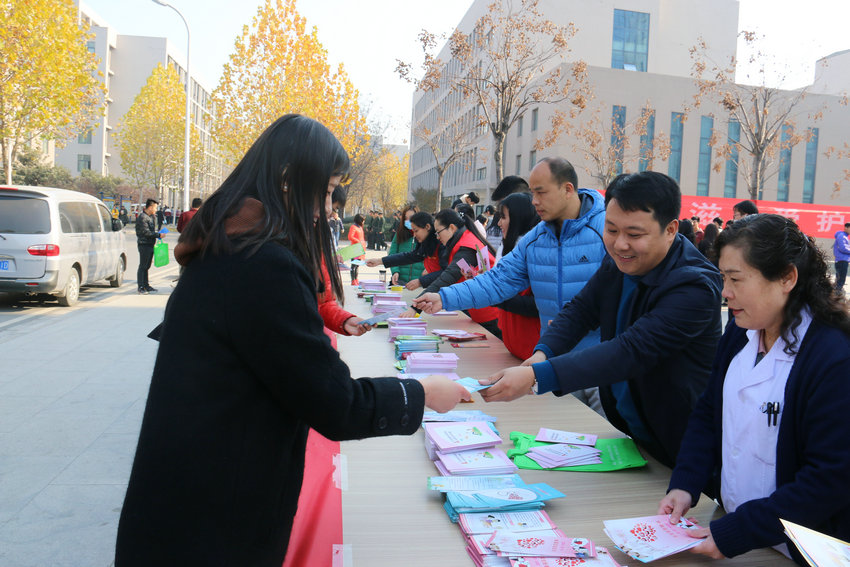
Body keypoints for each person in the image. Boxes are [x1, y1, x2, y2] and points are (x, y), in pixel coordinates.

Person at [114, 114, 470, 567]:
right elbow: (334, 403)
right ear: (287, 180)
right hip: (214, 521)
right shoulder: (262, 264)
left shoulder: (228, 244)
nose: (325, 209)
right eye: (324, 192)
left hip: (185, 502)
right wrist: (420, 393)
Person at [473, 172, 723, 468]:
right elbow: (582, 309)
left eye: (634, 235)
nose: (620, 244)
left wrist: (537, 377)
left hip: (681, 442)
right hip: (633, 431)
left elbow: (630, 351)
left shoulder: (694, 286)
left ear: (670, 229)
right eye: (611, 229)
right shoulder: (620, 262)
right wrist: (541, 354)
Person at [659, 214, 850, 562]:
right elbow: (709, 412)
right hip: (737, 529)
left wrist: (739, 531)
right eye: (723, 278)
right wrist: (685, 482)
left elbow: (828, 479)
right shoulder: (740, 330)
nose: (726, 292)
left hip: (802, 549)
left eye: (736, 279)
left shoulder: (832, 357)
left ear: (786, 278)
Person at [413, 157, 608, 412]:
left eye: (541, 192)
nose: (534, 201)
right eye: (532, 193)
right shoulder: (535, 239)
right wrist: (445, 297)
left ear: (567, 189)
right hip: (555, 361)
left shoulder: (607, 230)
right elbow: (498, 280)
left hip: (604, 364)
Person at [493, 193, 541, 359]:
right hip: (515, 346)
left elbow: (538, 305)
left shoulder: (536, 254)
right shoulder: (511, 249)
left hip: (531, 349)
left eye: (503, 217)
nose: (499, 223)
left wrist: (495, 296)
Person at [366, 211, 444, 291]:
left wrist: (421, 281)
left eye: (416, 231)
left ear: (427, 227)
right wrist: (380, 261)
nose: (414, 235)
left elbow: (448, 272)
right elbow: (410, 256)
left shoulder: (443, 244)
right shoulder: (426, 243)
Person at [384, 205, 424, 286]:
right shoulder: (400, 233)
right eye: (406, 218)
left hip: (419, 282)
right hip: (400, 281)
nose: (408, 221)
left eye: (411, 218)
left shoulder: (425, 235)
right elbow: (392, 254)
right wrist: (395, 271)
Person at [135, 198, 162, 294]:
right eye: (155, 208)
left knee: (147, 266)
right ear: (150, 207)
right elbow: (146, 232)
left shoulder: (151, 217)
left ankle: (146, 285)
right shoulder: (142, 217)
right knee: (143, 266)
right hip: (144, 244)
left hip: (150, 244)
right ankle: (141, 286)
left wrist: (157, 234)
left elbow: (151, 231)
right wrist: (158, 235)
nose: (156, 210)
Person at [348, 213, 366, 285]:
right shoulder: (353, 227)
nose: (364, 221)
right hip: (355, 249)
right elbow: (350, 237)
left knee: (357, 265)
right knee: (354, 265)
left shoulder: (360, 227)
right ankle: (353, 280)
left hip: (360, 249)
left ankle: (356, 279)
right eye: (363, 220)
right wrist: (358, 241)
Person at [833, 222, 850, 292]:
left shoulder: (844, 236)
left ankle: (836, 293)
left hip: (842, 260)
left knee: (840, 279)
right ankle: (837, 294)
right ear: (846, 228)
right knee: (840, 280)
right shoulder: (842, 236)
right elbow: (843, 248)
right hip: (842, 260)